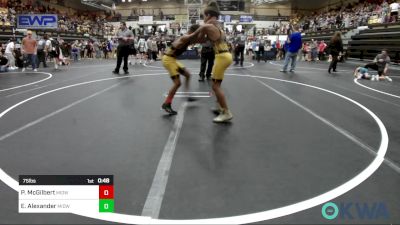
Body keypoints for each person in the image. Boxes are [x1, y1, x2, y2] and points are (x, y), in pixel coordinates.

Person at [188, 0, 233, 122]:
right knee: (216, 84)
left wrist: (190, 36)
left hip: (221, 57)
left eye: (204, 16)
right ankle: (219, 107)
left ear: (208, 15)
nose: (203, 18)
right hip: (225, 55)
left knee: (215, 86)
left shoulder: (207, 26)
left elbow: (196, 39)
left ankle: (226, 112)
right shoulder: (218, 26)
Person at [161, 24, 200, 115]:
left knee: (187, 74)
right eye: (197, 33)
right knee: (177, 83)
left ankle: (187, 95)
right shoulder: (185, 37)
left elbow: (199, 39)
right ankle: (167, 103)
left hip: (172, 60)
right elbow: (192, 37)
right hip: (168, 60)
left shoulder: (187, 38)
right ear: (194, 32)